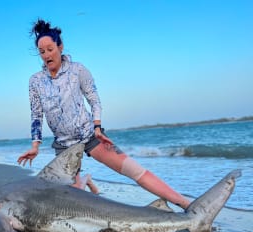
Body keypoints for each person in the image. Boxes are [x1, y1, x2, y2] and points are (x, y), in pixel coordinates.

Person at [17, 19, 190, 209]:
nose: (46, 55)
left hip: (91, 135)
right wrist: (35, 146)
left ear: (60, 46)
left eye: (50, 49)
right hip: (64, 145)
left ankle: (186, 204)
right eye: (42, 52)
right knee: (72, 201)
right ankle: (84, 181)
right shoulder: (35, 81)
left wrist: (98, 127)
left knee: (134, 170)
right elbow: (36, 115)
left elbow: (94, 99)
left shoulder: (78, 70)